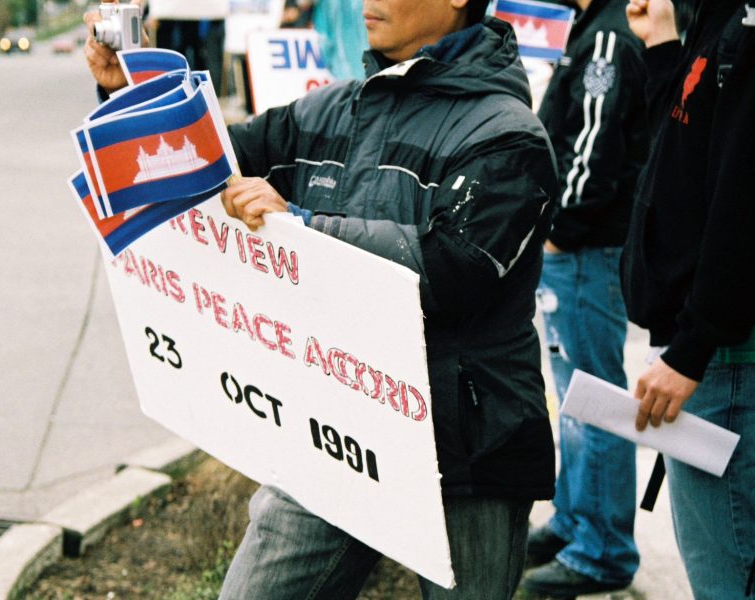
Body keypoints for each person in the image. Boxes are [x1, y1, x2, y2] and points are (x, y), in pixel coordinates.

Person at [86, 0, 559, 596]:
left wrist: (303, 229)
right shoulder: (332, 109)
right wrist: (136, 91)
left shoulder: (509, 134)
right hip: (332, 433)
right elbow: (203, 167)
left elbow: (455, 270)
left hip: (466, 450)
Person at [620, 0, 755, 598]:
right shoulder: (716, 16)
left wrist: (694, 347)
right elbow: (681, 156)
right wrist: (662, 49)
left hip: (724, 360)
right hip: (710, 352)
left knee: (726, 577)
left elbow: (745, 190)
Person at [519, 0, 648, 596]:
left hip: (584, 249)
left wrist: (558, 229)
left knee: (594, 395)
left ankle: (602, 549)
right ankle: (575, 522)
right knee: (573, 394)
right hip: (580, 249)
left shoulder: (606, 39)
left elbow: (594, 148)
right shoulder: (593, 29)